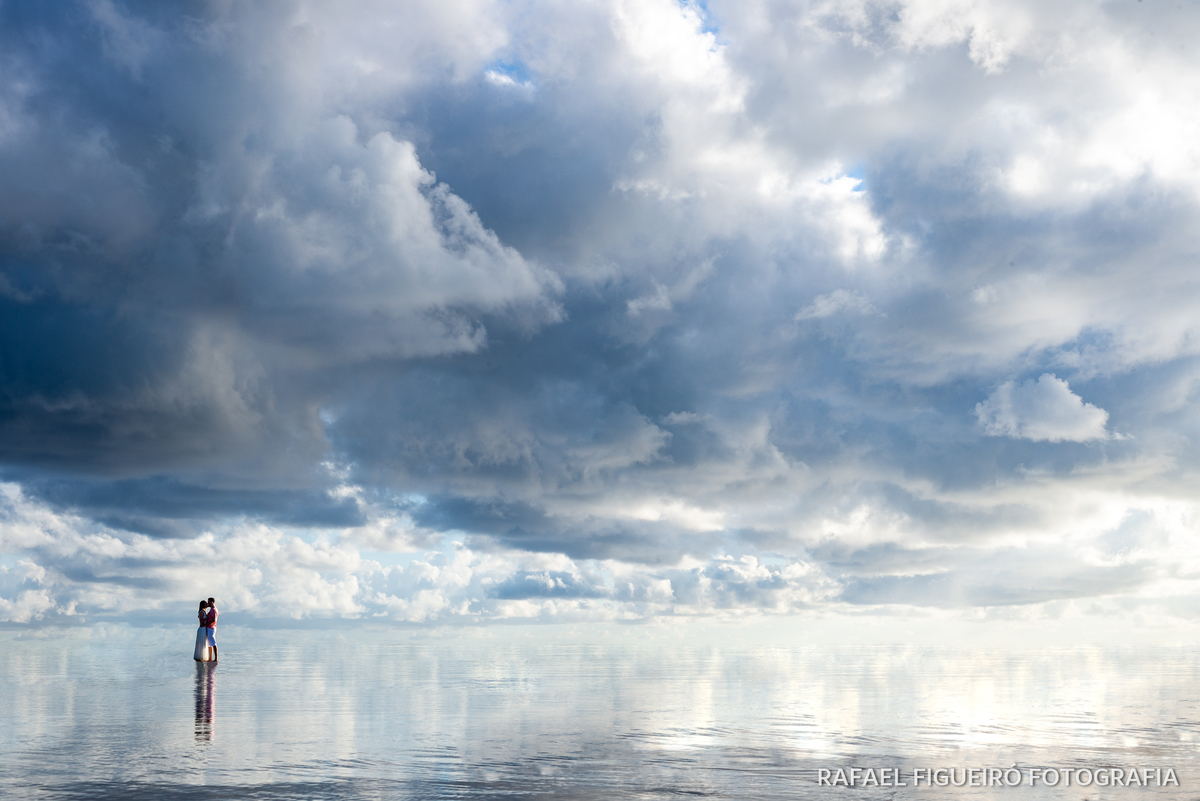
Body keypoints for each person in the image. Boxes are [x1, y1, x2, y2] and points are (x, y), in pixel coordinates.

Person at [204, 597, 218, 663]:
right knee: (210, 643)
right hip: (210, 627)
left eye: (208, 602)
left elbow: (213, 620)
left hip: (211, 627)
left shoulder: (213, 610)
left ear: (211, 602)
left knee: (213, 643)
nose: (208, 603)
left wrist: (206, 624)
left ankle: (216, 658)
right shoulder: (211, 609)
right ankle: (210, 658)